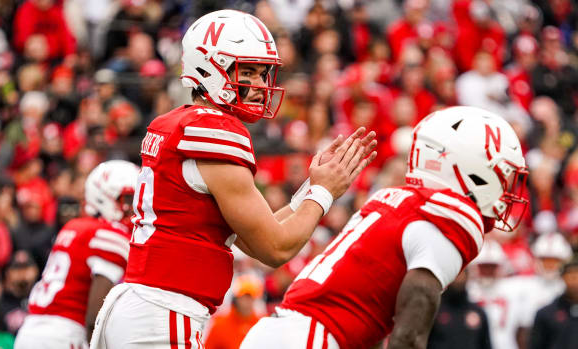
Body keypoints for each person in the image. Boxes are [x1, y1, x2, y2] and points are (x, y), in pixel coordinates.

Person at [90, 10, 377, 349]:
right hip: (163, 313)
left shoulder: (181, 122)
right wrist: (325, 194)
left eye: (263, 73)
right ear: (210, 66)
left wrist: (310, 188)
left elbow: (253, 236)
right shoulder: (215, 130)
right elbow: (276, 248)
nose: (259, 86)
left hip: (143, 306)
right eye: (249, 72)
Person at [241, 106, 529, 349]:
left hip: (282, 332)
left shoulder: (392, 198)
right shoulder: (447, 218)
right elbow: (410, 333)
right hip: (315, 338)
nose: (507, 190)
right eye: (502, 176)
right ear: (469, 168)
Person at [14, 160, 139, 348]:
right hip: (65, 334)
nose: (133, 208)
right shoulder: (110, 235)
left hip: (30, 330)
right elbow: (94, 316)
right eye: (128, 199)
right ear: (104, 196)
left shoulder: (74, 226)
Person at [530, 261, 578, 349]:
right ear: (562, 278)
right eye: (569, 274)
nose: (574, 279)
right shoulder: (547, 313)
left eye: (577, 275)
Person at [427, 271, 492, 349]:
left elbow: (486, 345)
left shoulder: (478, 312)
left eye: (461, 274)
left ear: (467, 277)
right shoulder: (434, 310)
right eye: (456, 275)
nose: (459, 279)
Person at [204, 274, 265, 349]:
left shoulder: (261, 324)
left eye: (251, 297)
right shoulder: (220, 325)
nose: (248, 301)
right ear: (236, 298)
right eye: (244, 296)